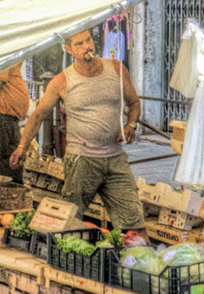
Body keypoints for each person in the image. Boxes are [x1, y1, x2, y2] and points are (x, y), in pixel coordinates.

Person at [10, 29, 145, 231]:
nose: (87, 46)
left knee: (133, 220)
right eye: (79, 44)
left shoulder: (116, 69)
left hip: (115, 158)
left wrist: (131, 125)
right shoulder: (61, 81)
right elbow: (38, 116)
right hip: (81, 160)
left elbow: (134, 103)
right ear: (69, 49)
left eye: (88, 40)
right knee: (70, 220)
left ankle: (135, 249)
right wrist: (22, 146)